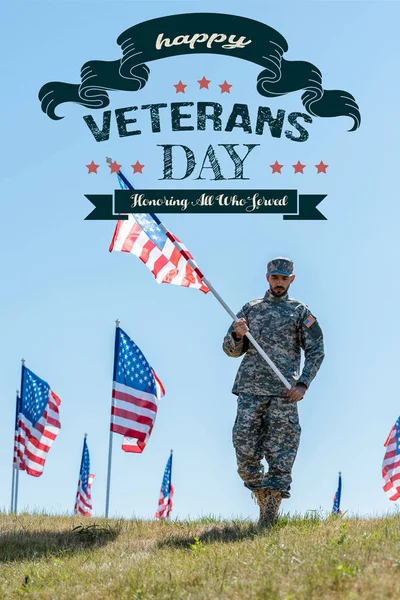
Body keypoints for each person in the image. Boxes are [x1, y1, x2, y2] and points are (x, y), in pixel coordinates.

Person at [222, 257, 325, 529]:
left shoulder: (300, 312)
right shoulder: (251, 309)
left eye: (284, 278)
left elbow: (316, 349)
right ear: (267, 277)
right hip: (250, 391)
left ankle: (270, 514)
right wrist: (237, 334)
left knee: (281, 455)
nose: (279, 282)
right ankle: (260, 496)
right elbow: (230, 351)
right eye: (274, 277)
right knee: (244, 450)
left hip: (283, 394)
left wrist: (303, 383)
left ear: (291, 279)